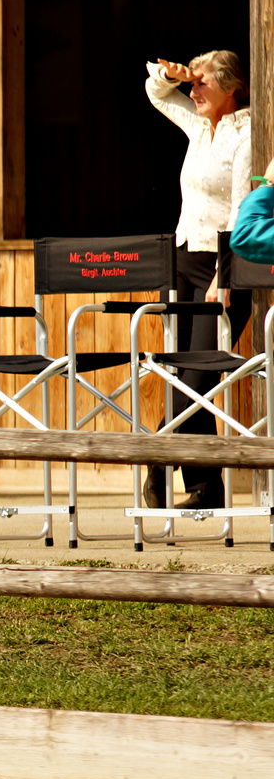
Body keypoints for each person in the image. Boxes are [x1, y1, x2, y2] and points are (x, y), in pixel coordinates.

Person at [143, 51, 253, 510]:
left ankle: (156, 453)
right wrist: (177, 75)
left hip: (220, 266)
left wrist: (224, 277)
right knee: (178, 377)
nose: (193, 92)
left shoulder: (245, 131)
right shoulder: (198, 124)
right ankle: (205, 488)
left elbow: (242, 207)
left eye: (203, 84)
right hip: (186, 257)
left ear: (230, 89)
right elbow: (154, 92)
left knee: (198, 377)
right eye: (193, 84)